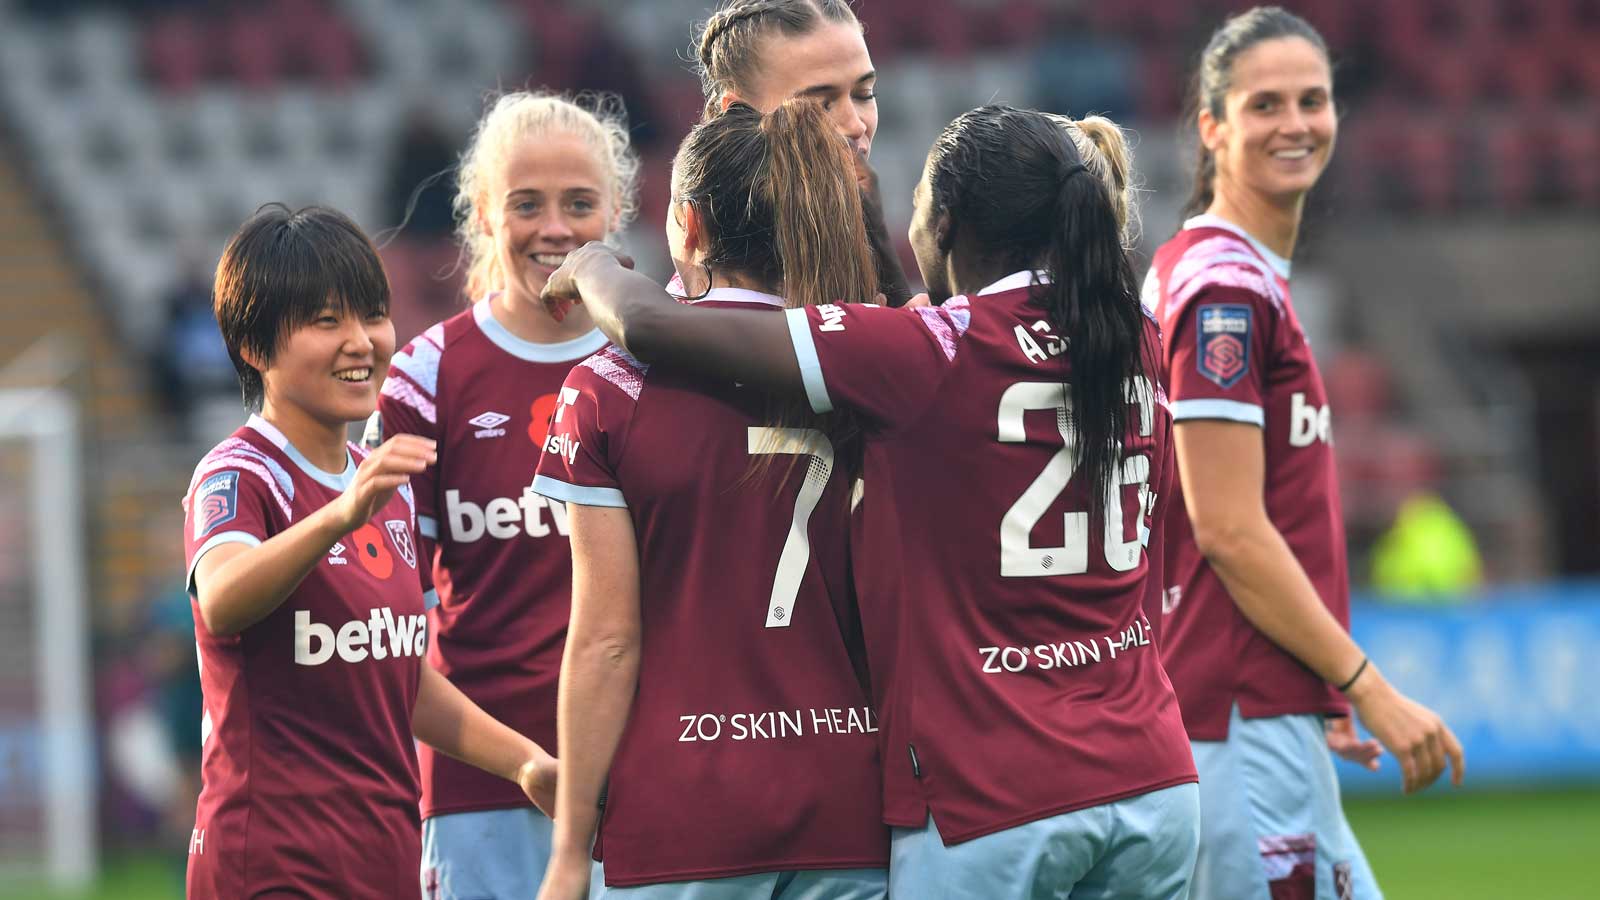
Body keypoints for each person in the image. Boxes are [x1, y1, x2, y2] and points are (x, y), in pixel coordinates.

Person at [542, 104, 1200, 899]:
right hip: (1155, 778)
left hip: (994, 797)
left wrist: (594, 267)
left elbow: (649, 324)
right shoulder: (1136, 334)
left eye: (918, 201)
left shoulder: (927, 352)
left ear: (946, 221)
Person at [1142, 7, 1464, 899]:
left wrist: (1315, 692)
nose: (1296, 123)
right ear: (1212, 127)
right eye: (1264, 104)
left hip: (1260, 711)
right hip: (1234, 719)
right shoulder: (1223, 294)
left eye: (1313, 100)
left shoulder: (1201, 269)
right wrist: (1369, 688)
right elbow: (1230, 530)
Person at [533, 97, 887, 900]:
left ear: (686, 225)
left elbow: (605, 642)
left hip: (683, 814)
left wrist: (567, 850)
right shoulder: (867, 368)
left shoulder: (605, 388)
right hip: (848, 803)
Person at [183, 204, 553, 899]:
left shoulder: (384, 481)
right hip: (271, 862)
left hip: (384, 857)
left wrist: (525, 764)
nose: (362, 342)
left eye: (372, 315)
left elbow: (398, 676)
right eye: (327, 322)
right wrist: (341, 515)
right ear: (255, 347)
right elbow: (223, 598)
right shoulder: (239, 473)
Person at [373, 91, 639, 900]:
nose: (554, 228)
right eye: (526, 204)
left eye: (579, 203)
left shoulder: (662, 360)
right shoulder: (425, 377)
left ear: (617, 211)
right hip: (481, 784)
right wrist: (520, 760)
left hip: (645, 767)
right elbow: (391, 626)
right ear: (484, 214)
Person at [686, 0, 911, 306]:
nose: (856, 125)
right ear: (735, 113)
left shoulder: (864, 245)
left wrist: (878, 241)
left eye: (864, 94)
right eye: (819, 106)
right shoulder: (700, 315)